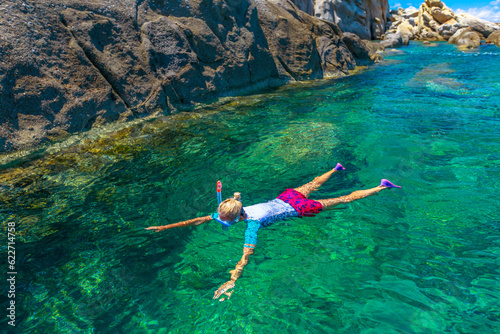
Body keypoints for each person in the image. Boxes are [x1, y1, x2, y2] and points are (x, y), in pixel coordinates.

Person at [145, 163, 402, 301]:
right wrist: (165, 227)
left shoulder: (252, 226)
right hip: (286, 197)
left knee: (344, 199)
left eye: (223, 221)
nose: (220, 221)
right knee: (312, 184)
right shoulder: (238, 207)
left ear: (233, 218)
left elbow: (245, 257)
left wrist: (232, 281)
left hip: (300, 209)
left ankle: (381, 187)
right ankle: (336, 169)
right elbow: (199, 219)